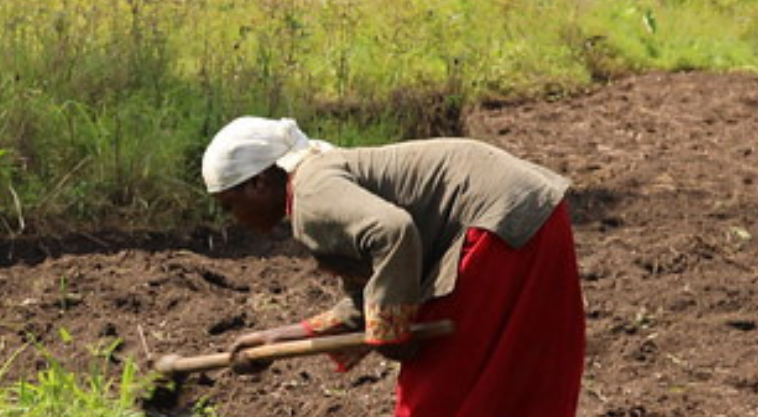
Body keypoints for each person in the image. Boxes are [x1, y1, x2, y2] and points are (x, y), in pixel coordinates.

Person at [201, 116, 585, 416]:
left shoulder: (311, 193)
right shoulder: (323, 179)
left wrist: (390, 329)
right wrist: (281, 339)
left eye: (229, 204)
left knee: (438, 392)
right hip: (533, 211)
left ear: (259, 183)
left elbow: (392, 232)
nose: (234, 218)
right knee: (515, 383)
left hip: (494, 224)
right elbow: (368, 293)